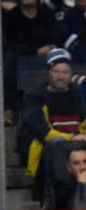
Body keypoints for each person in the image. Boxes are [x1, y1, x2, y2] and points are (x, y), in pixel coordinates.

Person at [20, 48, 86, 185]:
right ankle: (52, 196)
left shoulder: (79, 95)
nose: (61, 76)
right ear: (48, 73)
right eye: (56, 72)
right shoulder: (34, 97)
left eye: (65, 72)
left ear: (70, 74)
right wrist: (72, 138)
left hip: (79, 142)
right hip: (49, 146)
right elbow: (43, 132)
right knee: (57, 145)